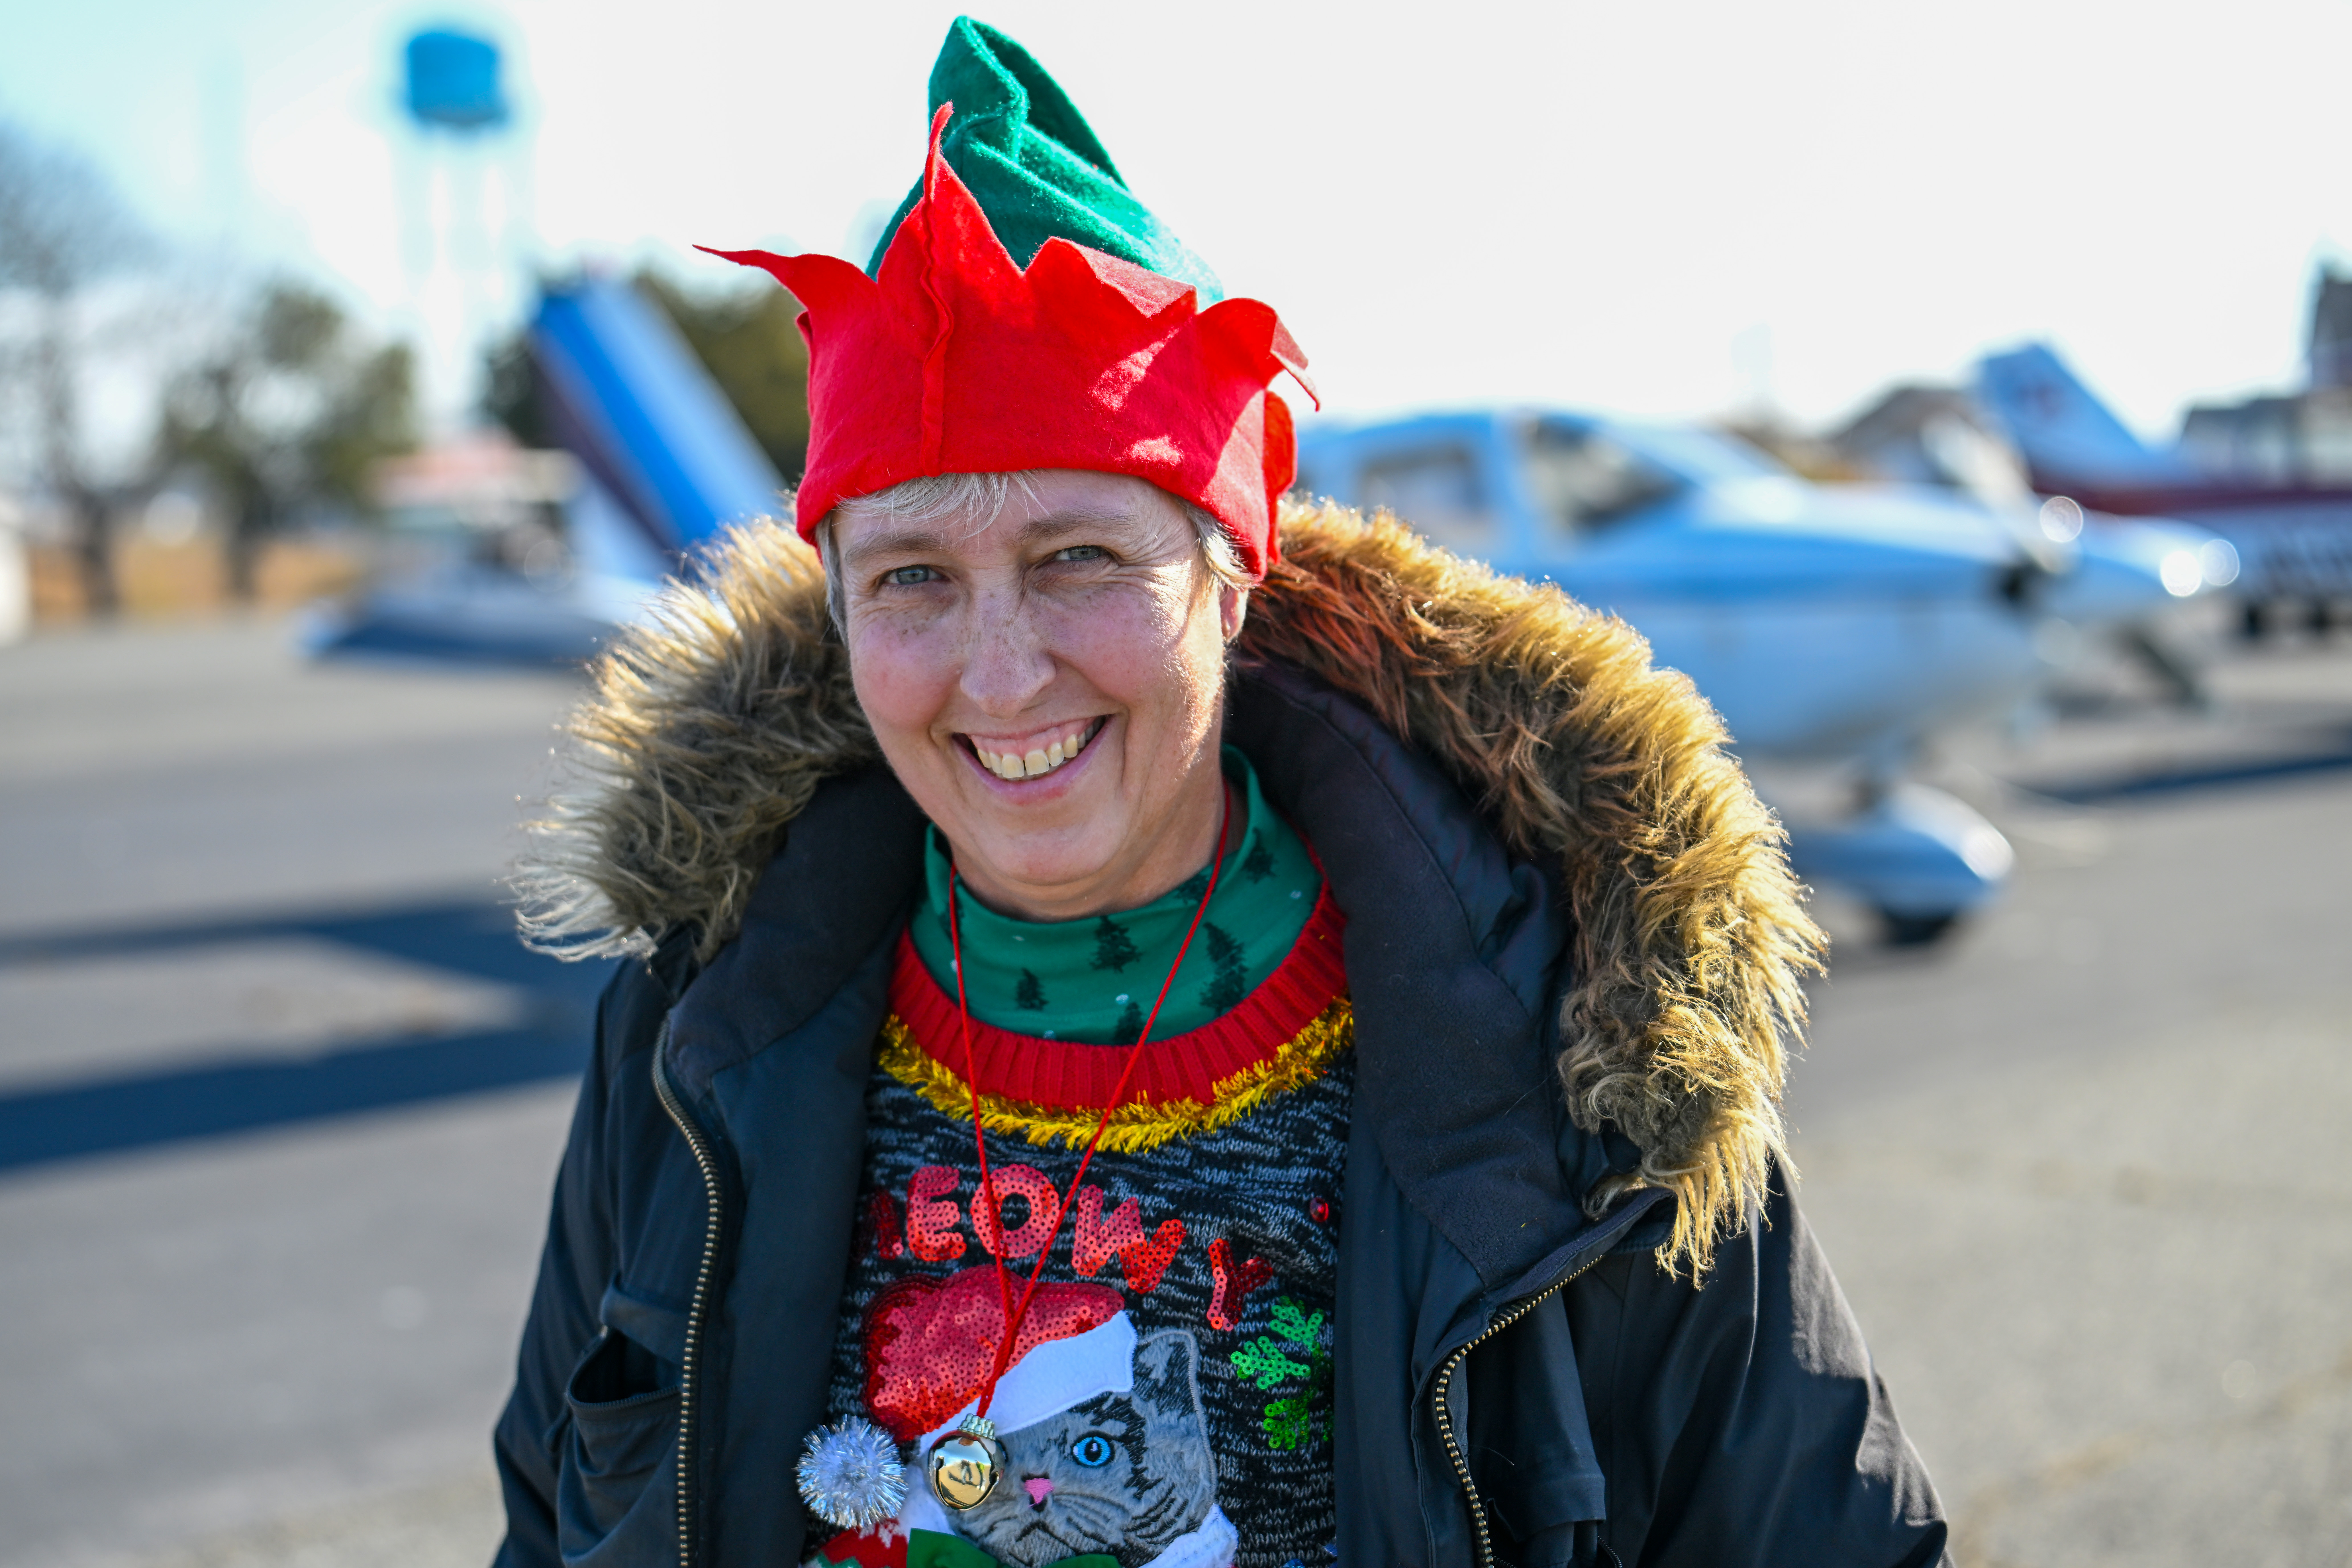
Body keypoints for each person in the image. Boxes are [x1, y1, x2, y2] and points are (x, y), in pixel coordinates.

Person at [493, 18, 1950, 1568]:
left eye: (1080, 561)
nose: (999, 678)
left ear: (1232, 577)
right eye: (912, 579)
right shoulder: (695, 1039)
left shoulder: (1581, 1044)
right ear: (838, 612)